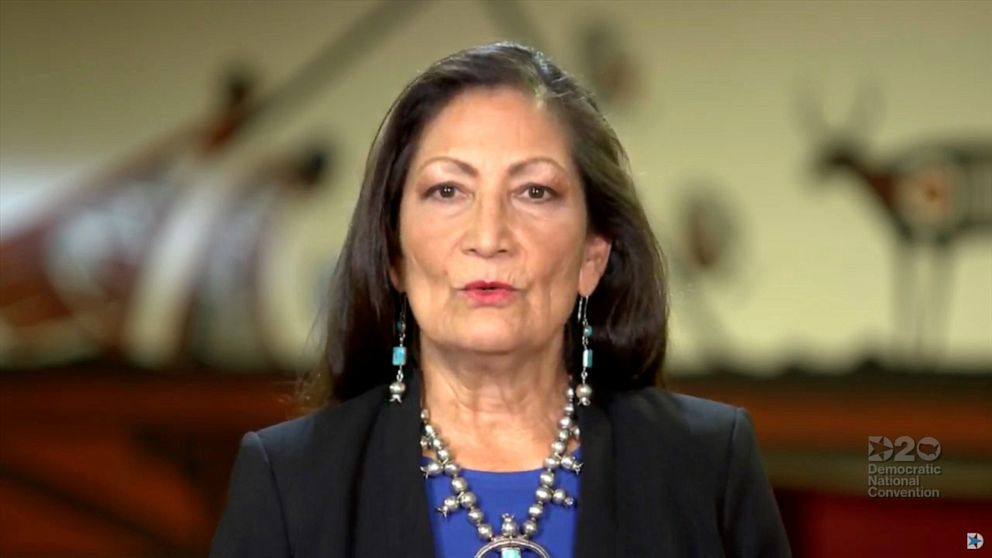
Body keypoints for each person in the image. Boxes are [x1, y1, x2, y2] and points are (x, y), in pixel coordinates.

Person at [210, 41, 790, 558]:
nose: (489, 238)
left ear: (593, 254)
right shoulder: (293, 480)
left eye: (534, 191)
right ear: (393, 254)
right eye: (448, 190)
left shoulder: (705, 465)